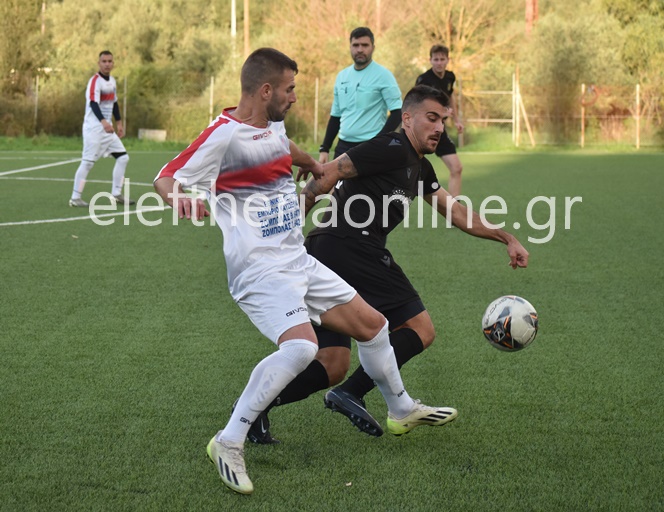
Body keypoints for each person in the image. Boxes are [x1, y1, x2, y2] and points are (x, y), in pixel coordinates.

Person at [153, 49, 456, 496]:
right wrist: (178, 198)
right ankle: (229, 440)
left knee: (373, 326)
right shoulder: (224, 134)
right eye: (290, 89)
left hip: (298, 259)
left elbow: (281, 146)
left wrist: (310, 163)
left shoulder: (271, 125)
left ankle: (400, 408)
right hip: (259, 270)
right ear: (266, 90)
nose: (295, 97)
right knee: (301, 348)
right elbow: (166, 176)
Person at [245, 85, 528, 444]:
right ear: (406, 118)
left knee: (332, 362)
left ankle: (254, 410)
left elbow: (457, 213)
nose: (438, 128)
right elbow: (327, 173)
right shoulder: (390, 147)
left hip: (327, 252)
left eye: (443, 120)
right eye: (431, 118)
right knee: (420, 328)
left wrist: (506, 237)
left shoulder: (420, 168)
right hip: (349, 248)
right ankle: (356, 394)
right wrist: (285, 233)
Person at [318, 27, 402, 164]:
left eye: (365, 45)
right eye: (356, 45)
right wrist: (325, 147)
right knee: (332, 179)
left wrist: (379, 141)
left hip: (371, 147)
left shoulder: (384, 75)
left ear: (373, 48)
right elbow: (335, 116)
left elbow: (397, 112)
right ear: (350, 47)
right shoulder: (342, 76)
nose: (360, 49)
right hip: (343, 146)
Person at [70, 50, 134, 207]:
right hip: (94, 129)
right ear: (99, 63)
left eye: (109, 61)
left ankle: (116, 193)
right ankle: (75, 197)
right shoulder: (95, 81)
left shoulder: (112, 81)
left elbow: (114, 103)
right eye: (104, 61)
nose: (107, 64)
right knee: (88, 163)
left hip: (108, 130)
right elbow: (93, 103)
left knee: (123, 158)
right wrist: (104, 122)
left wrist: (119, 123)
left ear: (113, 63)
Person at [415, 44, 464, 197]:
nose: (439, 63)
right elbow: (419, 106)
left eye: (442, 59)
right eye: (436, 59)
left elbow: (450, 97)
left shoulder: (450, 77)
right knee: (410, 172)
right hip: (421, 132)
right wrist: (441, 112)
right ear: (430, 60)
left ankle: (454, 208)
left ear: (448, 60)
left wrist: (456, 120)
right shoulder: (424, 80)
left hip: (439, 130)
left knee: (456, 168)